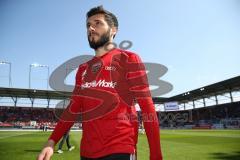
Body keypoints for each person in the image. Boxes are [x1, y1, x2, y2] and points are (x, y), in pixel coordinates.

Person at [37, 5, 162, 160]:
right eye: (88, 25)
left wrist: (156, 155)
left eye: (97, 23)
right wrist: (52, 141)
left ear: (113, 30)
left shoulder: (129, 59)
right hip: (87, 153)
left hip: (120, 149)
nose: (91, 28)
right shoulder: (83, 69)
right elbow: (73, 108)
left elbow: (147, 107)